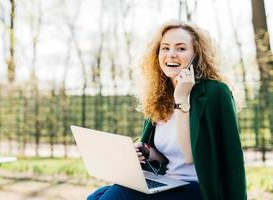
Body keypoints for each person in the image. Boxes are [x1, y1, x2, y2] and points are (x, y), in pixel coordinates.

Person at [87, 20, 247, 200]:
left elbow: (191, 157)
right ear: (157, 54)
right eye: (165, 48)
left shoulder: (216, 92)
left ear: (196, 54)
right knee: (97, 196)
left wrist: (181, 99)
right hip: (167, 182)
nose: (171, 55)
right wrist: (146, 152)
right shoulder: (158, 96)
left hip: (199, 188)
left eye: (181, 48)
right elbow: (163, 157)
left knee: (118, 195)